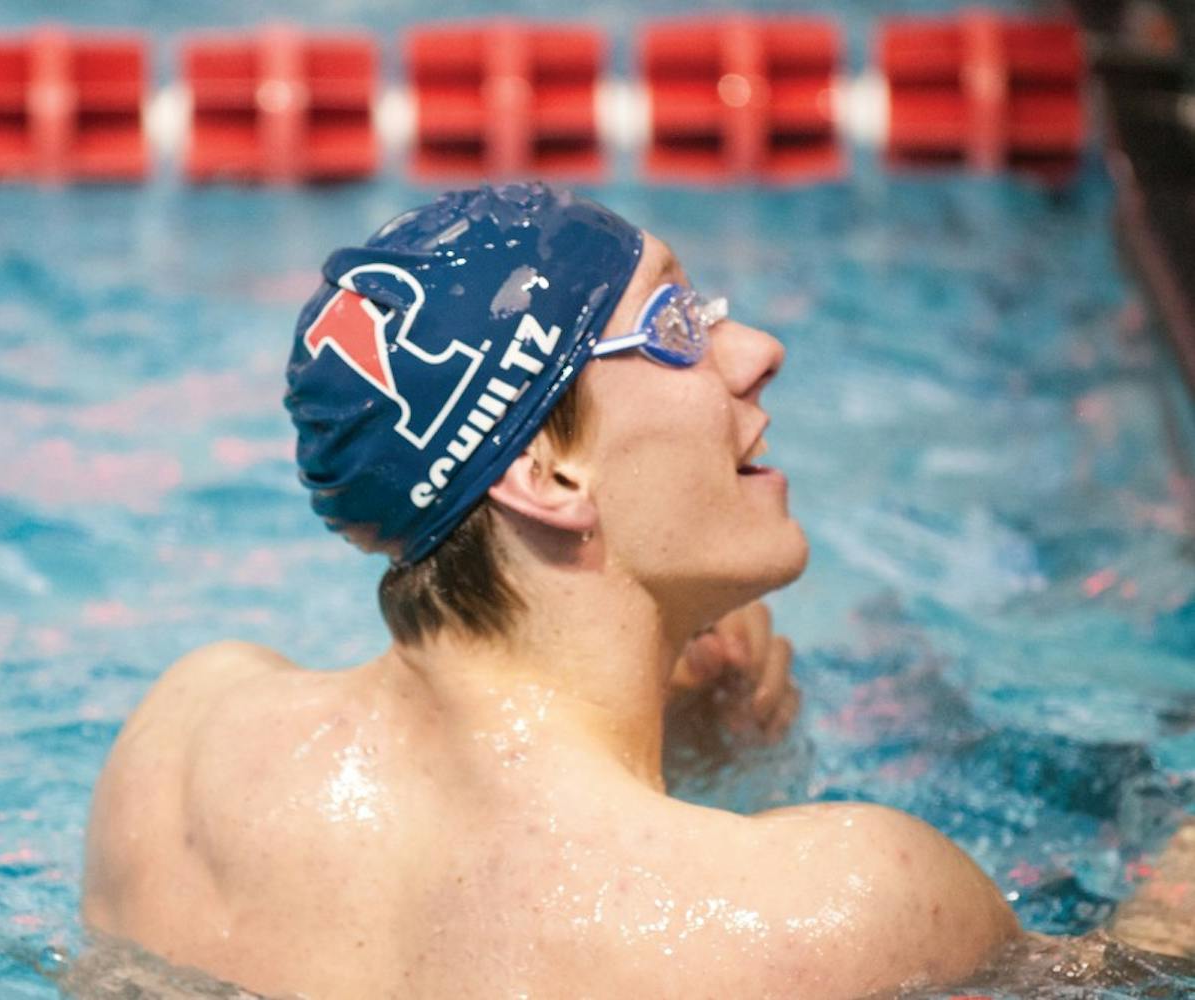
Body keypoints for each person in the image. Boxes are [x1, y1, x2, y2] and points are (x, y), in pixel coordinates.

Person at [79, 183, 1025, 998]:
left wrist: (707, 755)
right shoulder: (840, 910)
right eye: (676, 326)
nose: (758, 350)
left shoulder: (179, 752)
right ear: (548, 474)